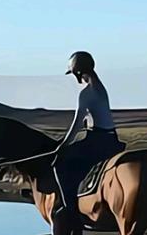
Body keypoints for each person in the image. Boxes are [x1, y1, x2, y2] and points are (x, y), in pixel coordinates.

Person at [51, 51, 125, 225]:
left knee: (59, 164)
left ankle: (69, 209)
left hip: (97, 140)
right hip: (111, 138)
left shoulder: (86, 93)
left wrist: (64, 145)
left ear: (78, 72)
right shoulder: (100, 87)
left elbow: (77, 123)